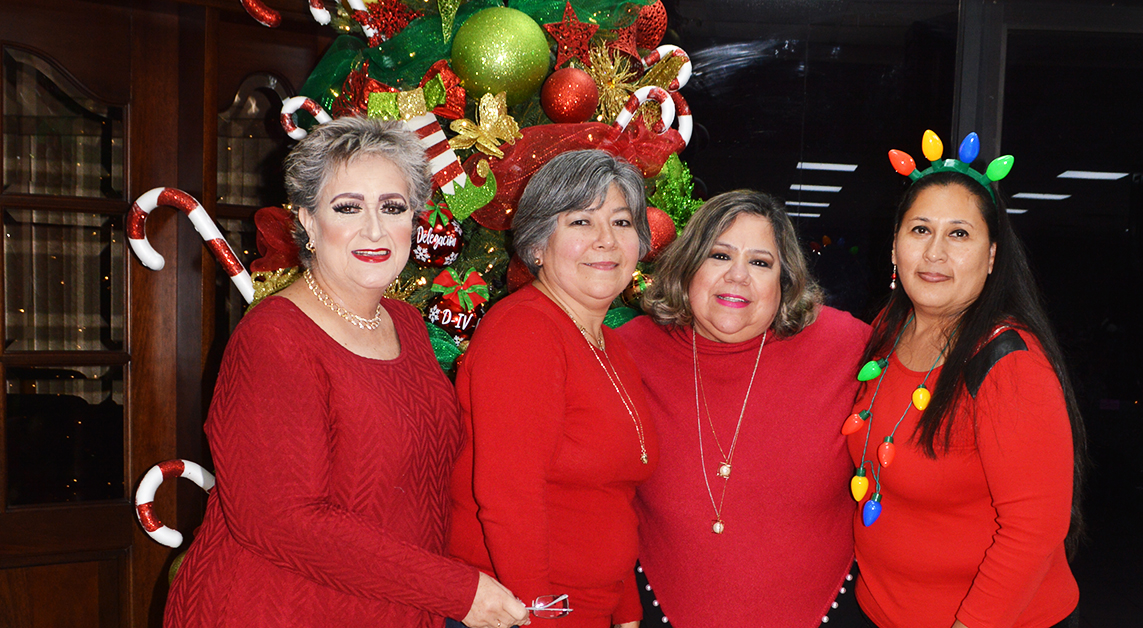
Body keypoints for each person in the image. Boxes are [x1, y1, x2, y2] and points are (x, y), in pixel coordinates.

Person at [164, 116, 529, 628]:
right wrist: (455, 590)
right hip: (278, 607)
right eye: (348, 207)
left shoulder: (406, 322)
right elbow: (282, 520)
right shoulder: (274, 338)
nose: (374, 229)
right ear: (309, 222)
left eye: (393, 207)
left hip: (392, 604)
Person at [616, 190, 872, 627]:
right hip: (654, 609)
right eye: (719, 256)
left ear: (785, 282)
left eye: (760, 262)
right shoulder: (627, 352)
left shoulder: (850, 347)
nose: (738, 276)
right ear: (688, 267)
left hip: (829, 609)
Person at [846, 167, 1085, 628]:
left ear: (992, 255)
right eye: (920, 230)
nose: (934, 252)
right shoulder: (887, 331)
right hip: (882, 612)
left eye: (959, 234)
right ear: (895, 247)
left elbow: (1033, 532)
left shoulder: (1009, 363)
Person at [446, 149, 659, 628]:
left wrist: (625, 611)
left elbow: (610, 497)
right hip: (525, 613)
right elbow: (509, 497)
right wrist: (538, 617)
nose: (606, 240)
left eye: (622, 223)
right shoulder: (525, 331)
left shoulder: (612, 348)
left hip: (589, 608)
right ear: (538, 244)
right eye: (581, 222)